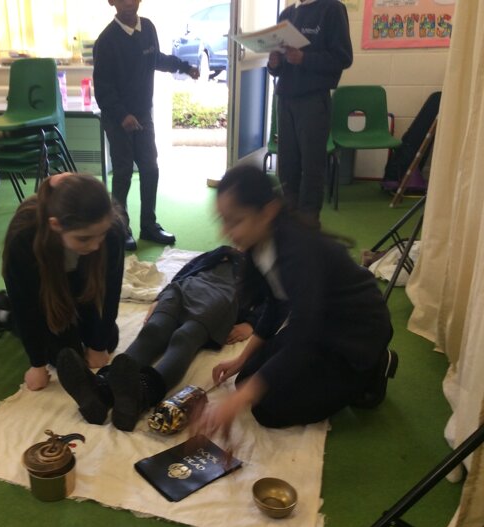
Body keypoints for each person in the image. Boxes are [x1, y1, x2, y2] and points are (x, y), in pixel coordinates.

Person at [194, 164, 396, 437]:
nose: (226, 232)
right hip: (320, 323)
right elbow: (275, 305)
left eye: (236, 221)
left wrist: (236, 402)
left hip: (354, 335)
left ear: (268, 211)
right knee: (246, 380)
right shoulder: (260, 243)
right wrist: (242, 359)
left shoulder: (299, 251)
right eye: (223, 221)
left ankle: (371, 371)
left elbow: (304, 336)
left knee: (267, 409)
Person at [57, 246, 255, 431]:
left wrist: (251, 323)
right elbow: (186, 271)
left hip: (219, 298)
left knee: (184, 338)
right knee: (153, 330)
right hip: (182, 289)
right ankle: (101, 390)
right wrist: (160, 297)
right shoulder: (220, 251)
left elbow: (269, 300)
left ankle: (142, 394)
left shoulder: (259, 266)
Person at [0, 173, 126, 391]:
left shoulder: (112, 230)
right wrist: (37, 364)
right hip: (43, 294)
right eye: (84, 238)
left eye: (101, 235)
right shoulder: (23, 237)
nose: (95, 246)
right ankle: (2, 313)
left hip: (80, 288)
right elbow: (26, 306)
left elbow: (110, 291)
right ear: (56, 225)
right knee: (66, 356)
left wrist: (98, 345)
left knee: (109, 341)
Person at [94, 0, 200, 251]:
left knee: (150, 169)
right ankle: (120, 228)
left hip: (143, 115)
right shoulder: (106, 41)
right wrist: (122, 115)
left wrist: (184, 67)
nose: (128, 2)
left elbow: (155, 59)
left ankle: (149, 226)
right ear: (111, 2)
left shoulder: (148, 28)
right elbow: (103, 88)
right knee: (122, 173)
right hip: (118, 119)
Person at [267, 0, 353, 227]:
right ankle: (289, 221)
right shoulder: (287, 14)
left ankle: (308, 224)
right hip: (285, 99)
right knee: (287, 165)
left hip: (313, 100)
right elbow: (279, 68)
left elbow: (343, 58)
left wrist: (305, 58)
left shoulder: (331, 9)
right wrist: (274, 64)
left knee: (312, 166)